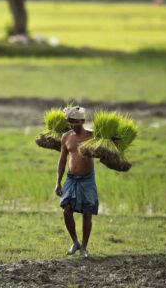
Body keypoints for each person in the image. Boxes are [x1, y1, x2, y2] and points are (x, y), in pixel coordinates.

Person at [54, 106, 98, 258]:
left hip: (87, 178)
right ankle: (75, 242)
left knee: (87, 213)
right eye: (71, 121)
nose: (73, 124)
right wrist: (58, 182)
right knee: (66, 210)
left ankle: (84, 248)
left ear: (83, 121)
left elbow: (107, 152)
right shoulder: (66, 137)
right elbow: (62, 160)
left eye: (76, 122)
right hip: (71, 178)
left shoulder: (92, 136)